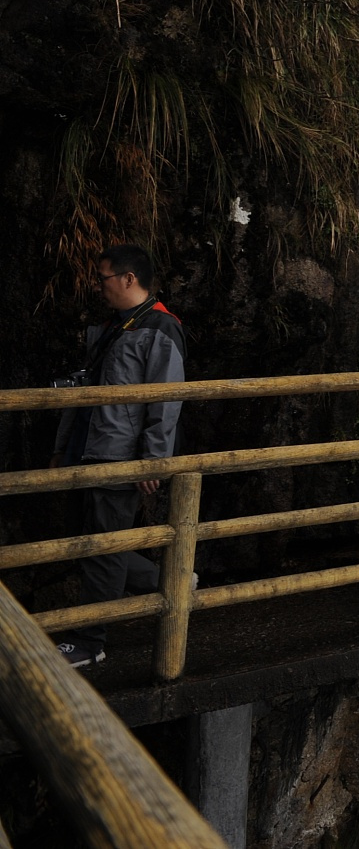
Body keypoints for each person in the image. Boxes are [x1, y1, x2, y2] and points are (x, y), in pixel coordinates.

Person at [49, 244, 187, 668]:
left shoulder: (160, 327)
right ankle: (177, 582)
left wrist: (153, 460)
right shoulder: (117, 325)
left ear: (129, 279)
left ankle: (91, 643)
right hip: (91, 447)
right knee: (91, 540)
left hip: (119, 456)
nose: (97, 285)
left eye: (103, 277)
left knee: (104, 547)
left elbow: (166, 399)